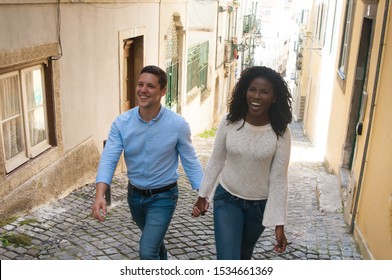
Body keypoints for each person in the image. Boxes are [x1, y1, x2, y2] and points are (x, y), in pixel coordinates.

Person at [92, 65, 203, 260]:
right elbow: (109, 157)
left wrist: (203, 194)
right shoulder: (121, 123)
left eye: (150, 86)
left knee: (147, 250)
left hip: (164, 197)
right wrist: (100, 194)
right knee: (155, 243)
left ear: (162, 92)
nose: (143, 90)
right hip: (134, 197)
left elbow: (190, 160)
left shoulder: (178, 125)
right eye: (140, 84)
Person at [192, 66, 292, 260]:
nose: (256, 96)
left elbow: (279, 179)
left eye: (264, 92)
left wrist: (279, 223)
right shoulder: (230, 122)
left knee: (243, 255)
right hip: (227, 198)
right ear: (244, 91)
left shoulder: (281, 132)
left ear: (274, 97)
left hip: (259, 207)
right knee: (228, 258)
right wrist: (203, 195)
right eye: (252, 89)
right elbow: (216, 159)